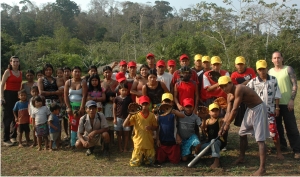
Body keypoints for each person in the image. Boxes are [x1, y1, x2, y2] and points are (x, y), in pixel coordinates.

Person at [218, 76, 269, 176]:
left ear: (231, 83)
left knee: (260, 139)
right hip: (250, 109)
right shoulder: (229, 95)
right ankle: (241, 157)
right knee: (242, 133)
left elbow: (235, 110)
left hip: (259, 108)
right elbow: (228, 112)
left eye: (225, 85)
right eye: (221, 87)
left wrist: (228, 124)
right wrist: (223, 126)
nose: (224, 88)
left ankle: (262, 168)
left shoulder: (239, 88)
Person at [247, 60, 284, 160]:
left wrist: (277, 107)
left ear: (267, 68)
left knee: (273, 131)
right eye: (260, 69)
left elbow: (277, 94)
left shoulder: (273, 80)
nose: (262, 71)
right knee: (259, 132)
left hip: (270, 110)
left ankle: (279, 152)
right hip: (258, 112)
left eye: (263, 68)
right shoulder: (253, 82)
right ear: (257, 70)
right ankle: (263, 150)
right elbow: (246, 93)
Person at [268, 51, 300, 159]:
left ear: (282, 58)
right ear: (272, 60)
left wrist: (291, 100)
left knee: (291, 127)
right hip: (275, 104)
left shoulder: (288, 69)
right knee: (277, 127)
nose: (277, 60)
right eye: (274, 58)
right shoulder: (270, 71)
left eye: (278, 57)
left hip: (287, 104)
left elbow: (295, 85)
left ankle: (297, 150)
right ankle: (282, 145)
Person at [123, 96, 158, 167]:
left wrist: (151, 127)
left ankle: (145, 158)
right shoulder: (136, 115)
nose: (144, 106)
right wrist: (130, 114)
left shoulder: (152, 115)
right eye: (143, 104)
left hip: (149, 142)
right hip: (139, 143)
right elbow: (124, 125)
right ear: (140, 105)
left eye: (146, 104)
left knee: (150, 162)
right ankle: (140, 158)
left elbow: (156, 127)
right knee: (134, 163)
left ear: (149, 105)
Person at [156, 93, 185, 164]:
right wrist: (157, 139)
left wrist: (173, 111)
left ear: (172, 102)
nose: (166, 103)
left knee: (175, 161)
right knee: (160, 160)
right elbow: (157, 128)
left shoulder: (173, 112)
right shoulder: (158, 113)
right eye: (165, 101)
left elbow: (183, 115)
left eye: (168, 101)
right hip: (162, 141)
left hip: (173, 141)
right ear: (162, 102)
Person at [1, 56, 22, 146]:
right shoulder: (7, 72)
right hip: (8, 95)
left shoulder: (20, 73)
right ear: (10, 63)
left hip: (17, 95)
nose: (16, 63)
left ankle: (13, 136)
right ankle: (6, 138)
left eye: (17, 61)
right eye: (14, 61)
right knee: (7, 117)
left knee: (15, 116)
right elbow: (1, 85)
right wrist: (1, 97)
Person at [200, 103, 228, 168]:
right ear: (209, 112)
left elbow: (226, 119)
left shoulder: (220, 120)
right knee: (200, 148)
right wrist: (203, 119)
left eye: (217, 110)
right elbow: (203, 129)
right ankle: (213, 153)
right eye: (213, 111)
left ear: (219, 111)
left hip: (219, 141)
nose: (215, 112)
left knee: (213, 141)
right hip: (210, 142)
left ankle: (216, 161)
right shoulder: (207, 121)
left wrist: (226, 110)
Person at [113, 83, 132, 152]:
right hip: (118, 118)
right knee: (119, 134)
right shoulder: (116, 98)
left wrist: (129, 118)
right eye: (122, 90)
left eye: (126, 90)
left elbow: (131, 109)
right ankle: (120, 147)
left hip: (126, 118)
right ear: (119, 91)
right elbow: (114, 109)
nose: (124, 92)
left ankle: (125, 147)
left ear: (127, 91)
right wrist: (115, 118)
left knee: (126, 134)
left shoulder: (129, 99)